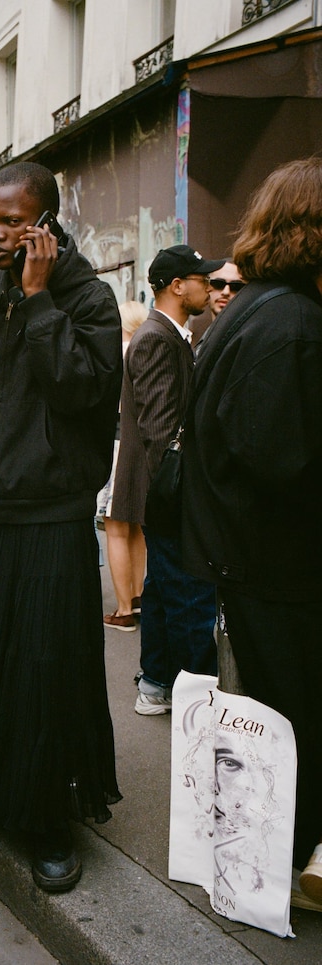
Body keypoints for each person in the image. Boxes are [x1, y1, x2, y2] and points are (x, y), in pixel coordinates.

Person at [0, 161, 123, 892]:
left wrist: (39, 301)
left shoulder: (89, 297)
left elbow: (85, 390)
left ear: (47, 222)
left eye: (13, 221)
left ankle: (49, 819)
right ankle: (4, 791)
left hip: (51, 518)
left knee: (45, 667)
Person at [180, 157, 322, 906]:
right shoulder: (289, 319)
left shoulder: (260, 309)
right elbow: (279, 459)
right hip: (277, 565)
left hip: (256, 560)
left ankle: (269, 864)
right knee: (285, 723)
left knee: (272, 719)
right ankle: (278, 869)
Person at [118, 245, 222, 715]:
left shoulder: (168, 334)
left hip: (163, 494)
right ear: (178, 285)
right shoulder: (158, 338)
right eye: (205, 279)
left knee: (162, 590)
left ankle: (157, 684)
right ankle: (201, 706)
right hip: (172, 494)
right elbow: (161, 430)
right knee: (188, 597)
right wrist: (185, 496)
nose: (212, 287)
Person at [100, 300, 148, 631]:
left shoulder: (117, 352)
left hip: (117, 441)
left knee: (115, 527)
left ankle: (123, 609)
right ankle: (139, 595)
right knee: (137, 526)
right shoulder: (151, 346)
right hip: (144, 445)